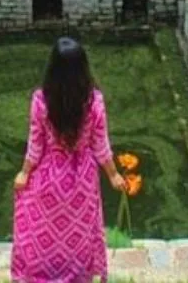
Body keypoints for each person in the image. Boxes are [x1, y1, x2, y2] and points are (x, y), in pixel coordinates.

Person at [12, 36, 127, 283]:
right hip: (82, 179)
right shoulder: (94, 101)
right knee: (79, 232)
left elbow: (35, 145)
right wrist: (113, 175)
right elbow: (100, 145)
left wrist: (24, 173)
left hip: (48, 176)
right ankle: (77, 276)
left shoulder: (42, 101)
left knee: (45, 230)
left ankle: (45, 273)